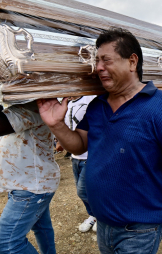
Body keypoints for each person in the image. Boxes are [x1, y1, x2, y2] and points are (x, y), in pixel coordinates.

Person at [37, 28, 162, 254]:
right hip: (103, 223)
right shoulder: (97, 106)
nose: (99, 67)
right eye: (97, 61)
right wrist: (56, 125)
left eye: (106, 60)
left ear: (132, 62)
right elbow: (80, 144)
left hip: (140, 230)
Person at [0, 59, 59, 254]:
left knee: (8, 245)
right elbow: (8, 143)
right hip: (31, 183)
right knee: (41, 228)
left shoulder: (36, 105)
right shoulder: (18, 108)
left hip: (31, 187)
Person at [64, 95, 97, 233]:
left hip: (90, 155)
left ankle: (100, 216)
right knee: (82, 191)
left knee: (82, 191)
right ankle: (94, 215)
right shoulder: (66, 103)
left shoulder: (91, 98)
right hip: (75, 156)